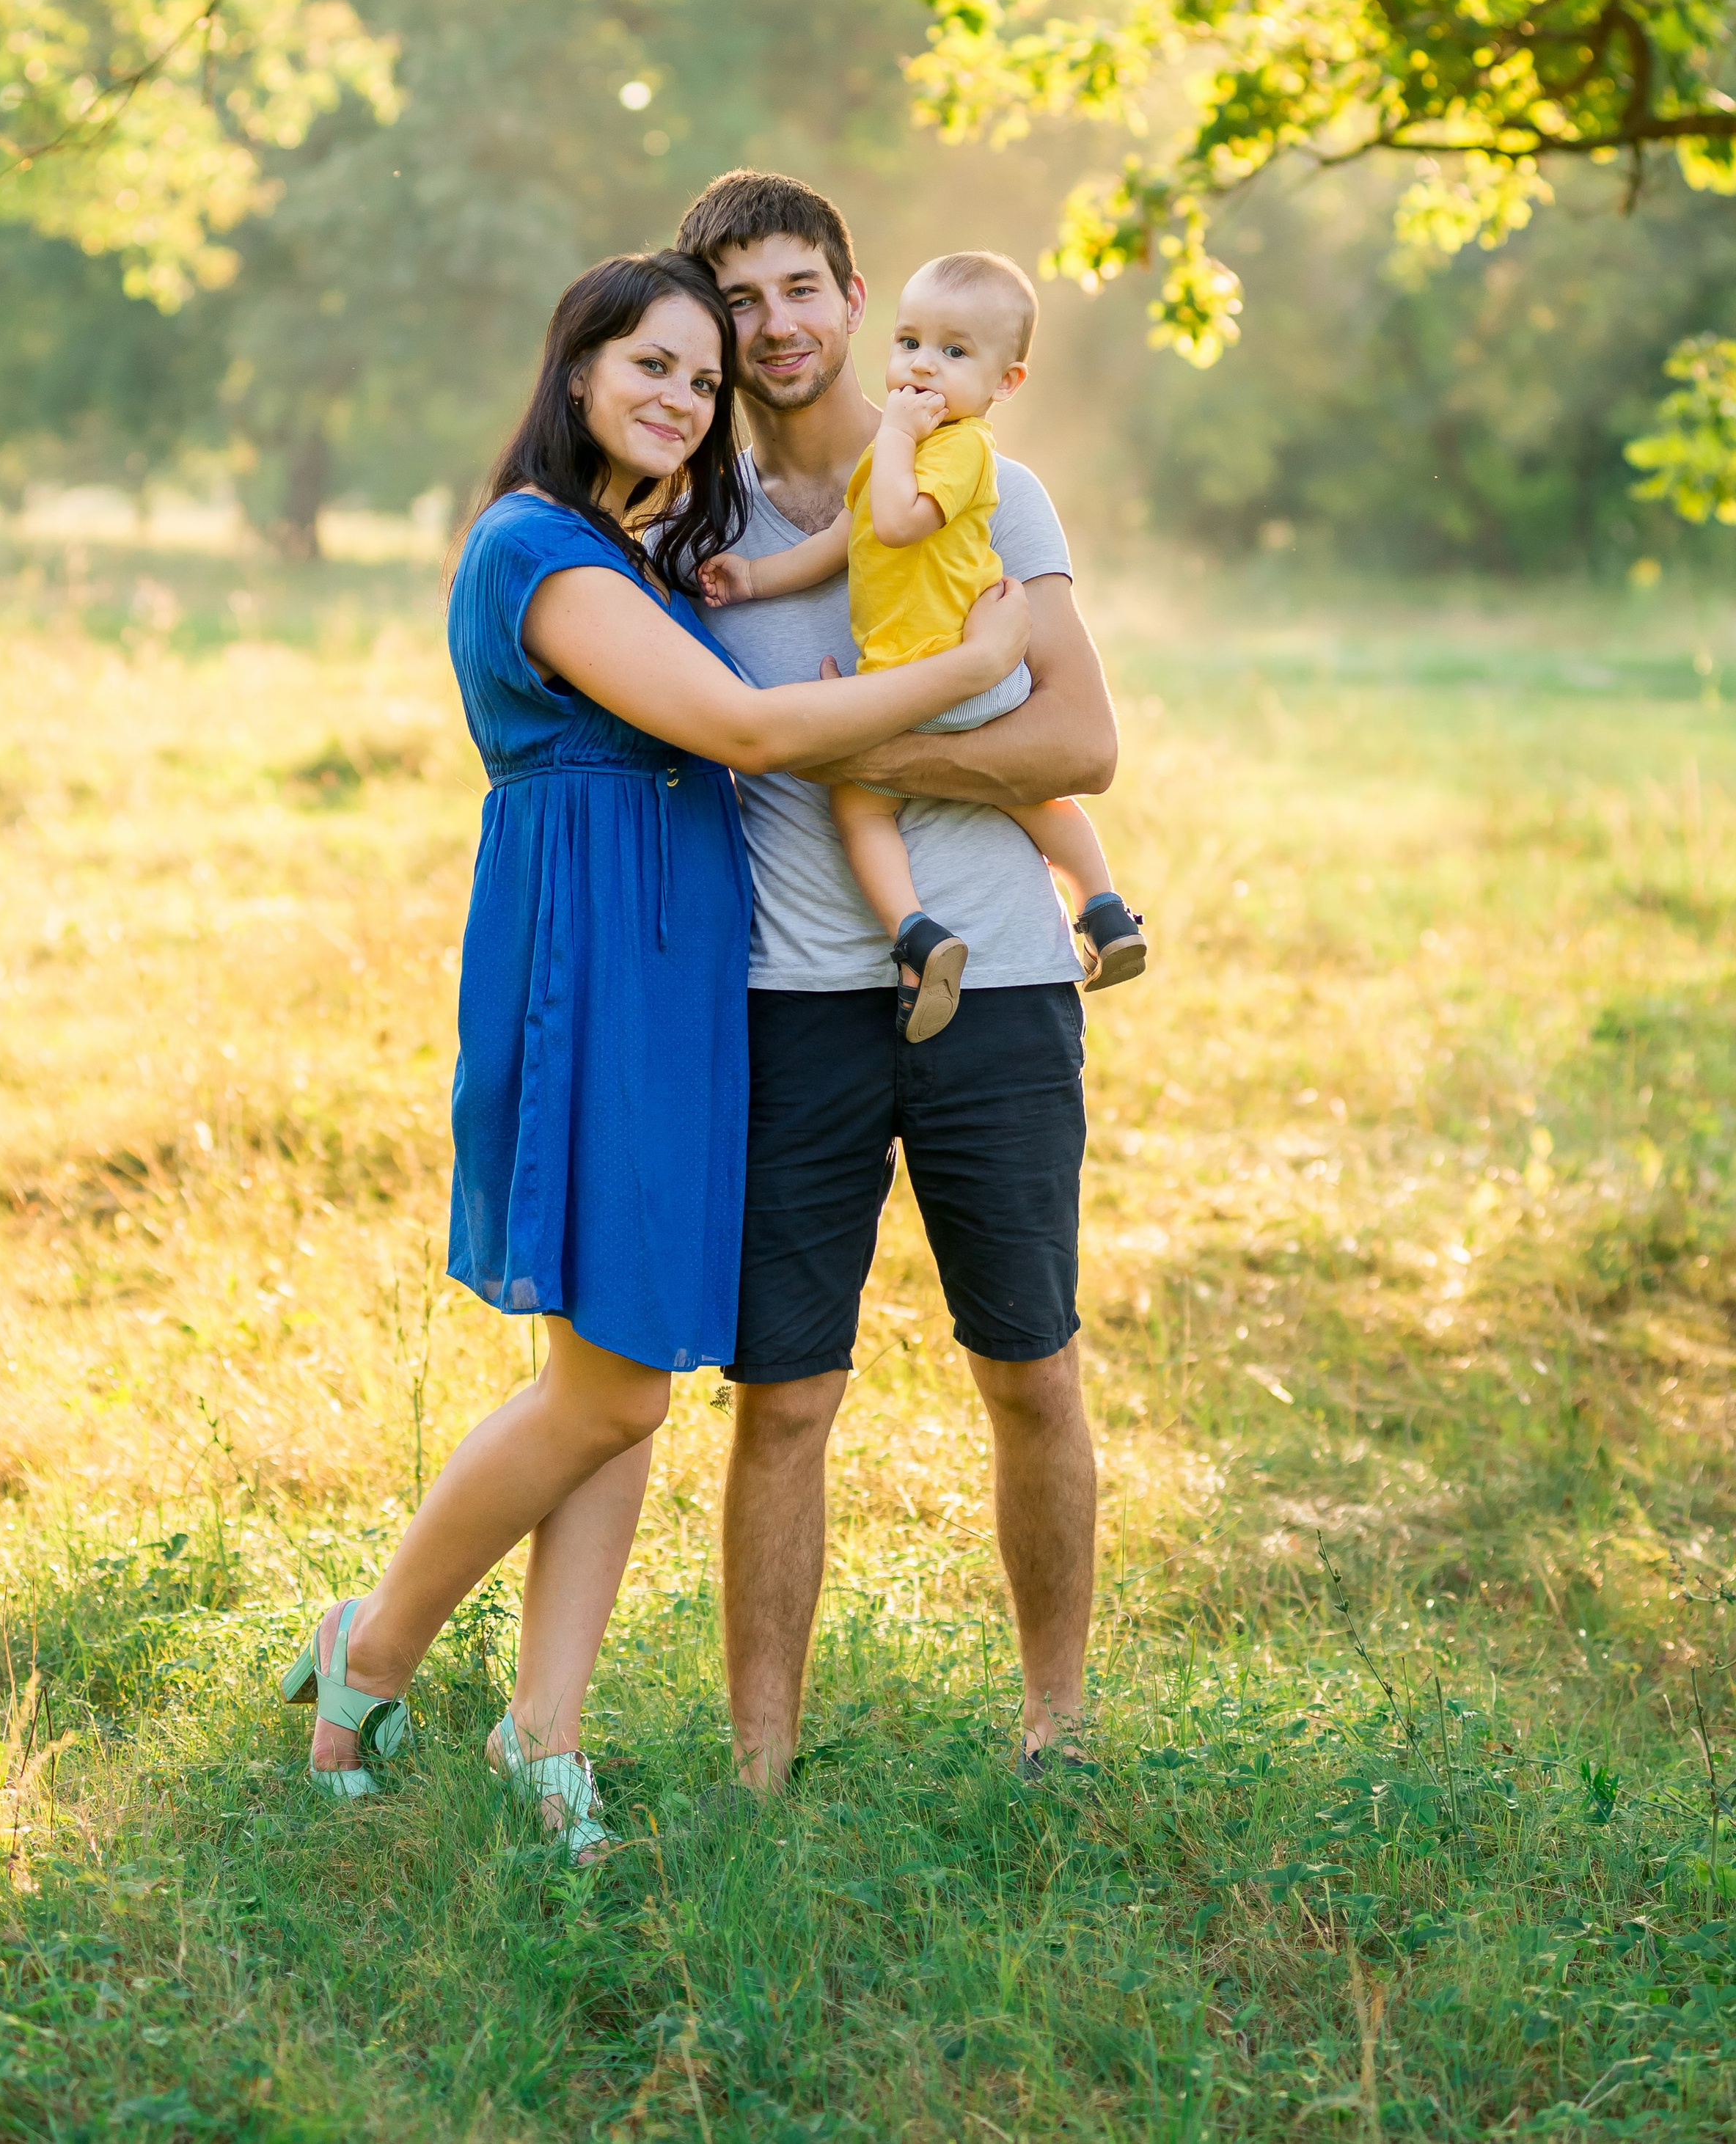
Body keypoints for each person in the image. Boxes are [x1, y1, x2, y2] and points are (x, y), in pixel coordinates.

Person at [276, 249, 1029, 1859]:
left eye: (702, 379)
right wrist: (968, 670)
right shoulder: (541, 550)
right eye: (652, 366)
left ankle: (544, 1732)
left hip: (689, 968)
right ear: (573, 372)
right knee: (607, 1393)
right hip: (595, 967)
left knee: (624, 1371)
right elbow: (750, 733)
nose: (684, 397)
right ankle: (376, 1643)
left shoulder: (638, 548)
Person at [675, 170, 1121, 1786]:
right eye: (735, 299)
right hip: (791, 999)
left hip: (998, 984)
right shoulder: (691, 524)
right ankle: (759, 1769)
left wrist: (883, 743)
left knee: (1028, 1367)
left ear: (851, 298)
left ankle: (1055, 1728)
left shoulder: (990, 485)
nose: (772, 324)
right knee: (781, 1400)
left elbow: (1081, 742)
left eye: (798, 287)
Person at [700, 245, 1146, 1040]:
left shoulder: (962, 451)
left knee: (860, 805)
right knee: (1033, 800)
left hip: (939, 673)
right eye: (911, 346)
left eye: (953, 353)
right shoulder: (879, 464)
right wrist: (754, 580)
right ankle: (1104, 910)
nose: (922, 369)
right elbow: (845, 538)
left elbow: (899, 522)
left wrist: (899, 435)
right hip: (803, 990)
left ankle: (915, 931)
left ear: (1004, 384)